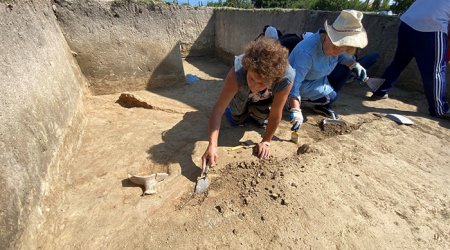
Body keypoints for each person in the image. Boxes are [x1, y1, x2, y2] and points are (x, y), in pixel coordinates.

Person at [201, 38, 295, 170]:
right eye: (251, 78)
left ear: (274, 80)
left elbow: (275, 113)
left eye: (262, 82)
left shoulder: (286, 79)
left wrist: (266, 141)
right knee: (236, 119)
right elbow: (218, 110)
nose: (254, 86)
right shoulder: (237, 73)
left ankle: (256, 110)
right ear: (247, 68)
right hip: (241, 94)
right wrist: (212, 145)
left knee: (260, 120)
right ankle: (236, 108)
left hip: (264, 98)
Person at [287, 10, 369, 132]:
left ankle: (322, 99)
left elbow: (342, 57)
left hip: (320, 76)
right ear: (327, 36)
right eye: (335, 47)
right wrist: (296, 109)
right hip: (303, 83)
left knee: (345, 71)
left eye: (343, 48)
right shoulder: (306, 53)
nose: (337, 52)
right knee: (331, 97)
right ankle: (303, 102)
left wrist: (354, 65)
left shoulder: (332, 46)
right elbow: (294, 84)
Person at [371, 0, 450, 119]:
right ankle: (439, 109)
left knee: (399, 62)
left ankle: (380, 90)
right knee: (436, 71)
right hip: (432, 26)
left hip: (407, 23)